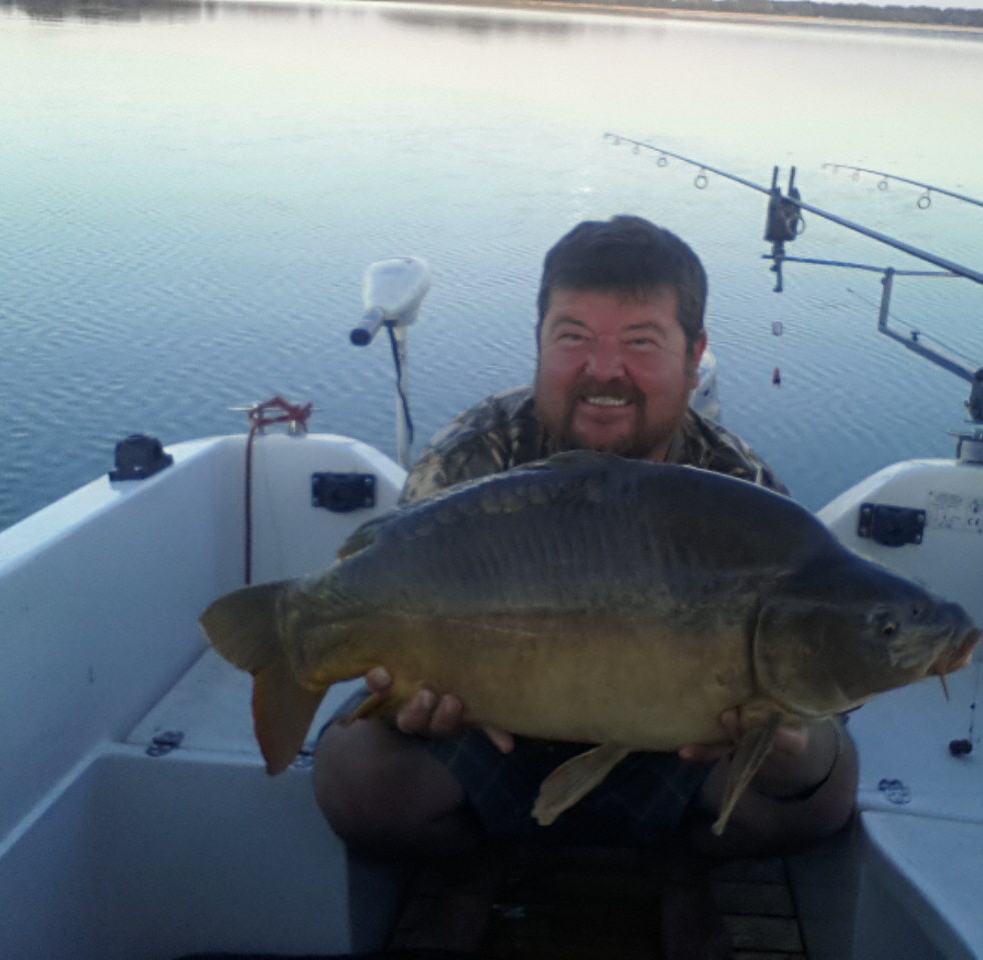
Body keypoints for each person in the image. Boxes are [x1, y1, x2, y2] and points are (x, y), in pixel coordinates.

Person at [312, 215, 858, 959]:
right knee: (354, 776)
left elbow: (816, 662)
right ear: (539, 343)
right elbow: (402, 611)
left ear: (694, 356)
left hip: (673, 747)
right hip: (497, 730)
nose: (605, 370)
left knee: (824, 783)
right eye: (573, 337)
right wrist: (410, 709)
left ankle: (683, 871)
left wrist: (789, 743)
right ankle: (480, 864)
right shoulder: (472, 460)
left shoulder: (739, 489)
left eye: (641, 342)